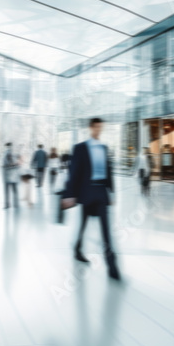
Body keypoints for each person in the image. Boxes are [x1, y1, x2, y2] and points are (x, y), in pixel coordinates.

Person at [61, 118, 121, 281]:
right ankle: (77, 248)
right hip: (86, 192)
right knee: (83, 224)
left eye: (101, 128)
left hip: (101, 192)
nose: (99, 130)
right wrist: (69, 194)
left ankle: (112, 265)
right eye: (96, 127)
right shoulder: (80, 148)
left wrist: (112, 193)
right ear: (90, 128)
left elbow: (109, 171)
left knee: (105, 229)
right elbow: (74, 173)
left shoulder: (103, 147)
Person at [2, 142, 20, 209]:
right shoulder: (15, 153)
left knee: (7, 189)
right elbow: (17, 163)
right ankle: (15, 204)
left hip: (8, 173)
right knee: (14, 189)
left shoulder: (7, 153)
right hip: (13, 173)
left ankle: (7, 204)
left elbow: (9, 163)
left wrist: (6, 165)